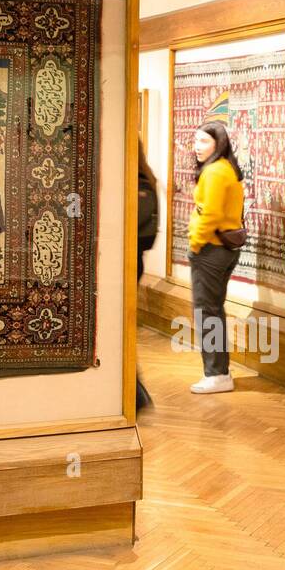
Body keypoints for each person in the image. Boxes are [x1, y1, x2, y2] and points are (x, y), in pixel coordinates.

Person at [187, 120, 244, 395]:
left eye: (204, 141)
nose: (197, 146)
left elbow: (209, 214)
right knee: (213, 311)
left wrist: (196, 244)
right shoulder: (226, 170)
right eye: (196, 140)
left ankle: (217, 374)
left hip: (210, 249)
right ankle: (219, 371)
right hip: (224, 249)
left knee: (207, 312)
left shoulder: (214, 173)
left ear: (218, 143)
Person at [135, 138, 159, 410]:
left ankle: (136, 394)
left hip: (130, 262)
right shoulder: (145, 179)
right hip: (134, 261)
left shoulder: (139, 184)